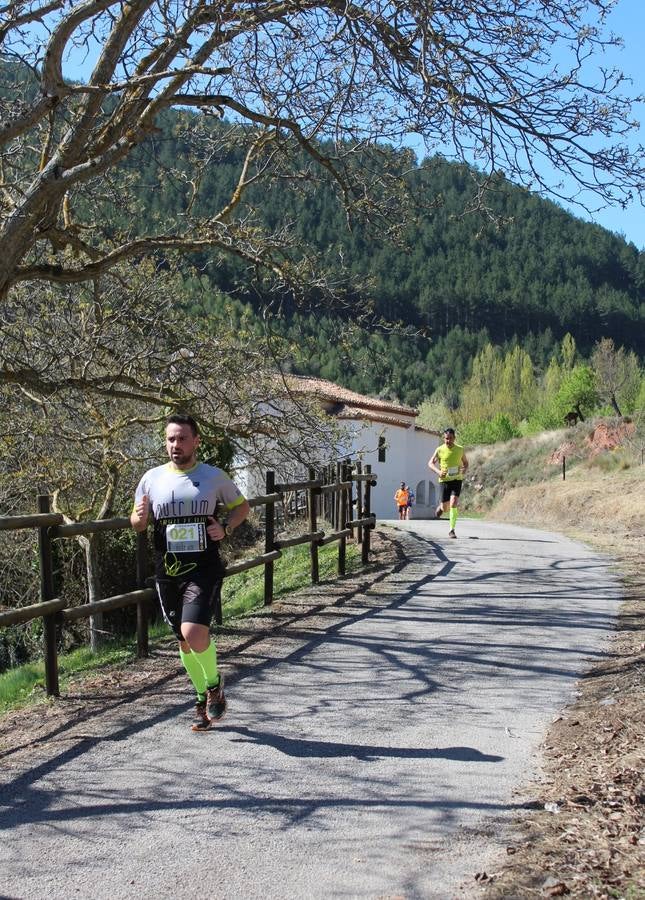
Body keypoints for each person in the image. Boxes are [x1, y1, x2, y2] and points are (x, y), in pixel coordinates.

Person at [131, 413, 250, 731]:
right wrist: (139, 518)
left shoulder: (214, 477)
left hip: (204, 567)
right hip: (167, 570)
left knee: (193, 632)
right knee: (184, 642)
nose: (176, 445)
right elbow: (137, 523)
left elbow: (242, 507)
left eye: (182, 438)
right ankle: (202, 698)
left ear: (196, 441)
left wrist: (225, 528)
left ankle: (213, 684)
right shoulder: (151, 478)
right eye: (171, 439)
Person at [428, 428, 468, 539]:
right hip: (444, 481)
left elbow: (466, 463)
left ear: (454, 438)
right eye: (446, 438)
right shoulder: (439, 450)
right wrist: (438, 472)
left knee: (453, 503)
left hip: (456, 480)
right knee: (445, 508)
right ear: (443, 438)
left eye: (450, 438)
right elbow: (430, 463)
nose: (448, 441)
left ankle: (452, 530)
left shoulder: (460, 449)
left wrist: (464, 470)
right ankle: (440, 509)